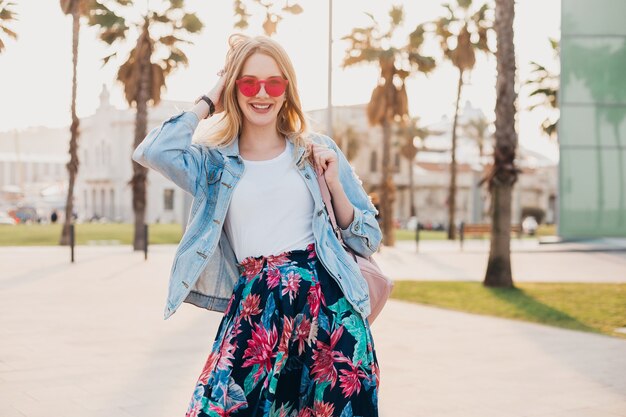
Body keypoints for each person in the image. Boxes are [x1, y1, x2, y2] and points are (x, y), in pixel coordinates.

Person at [132, 34, 382, 417]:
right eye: (248, 82)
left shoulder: (315, 150)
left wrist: (334, 186)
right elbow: (155, 151)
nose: (261, 93)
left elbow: (369, 237)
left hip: (330, 308)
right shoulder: (214, 165)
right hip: (255, 309)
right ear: (234, 88)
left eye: (273, 83)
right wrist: (212, 96)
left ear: (287, 90)